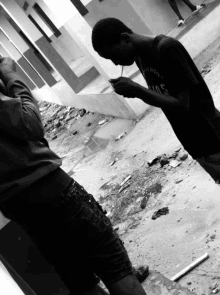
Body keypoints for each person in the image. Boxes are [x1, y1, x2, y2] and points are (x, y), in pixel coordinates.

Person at [0, 57, 148, 295]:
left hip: (19, 208)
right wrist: (10, 76)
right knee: (114, 267)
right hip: (51, 190)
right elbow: (30, 124)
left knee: (79, 279)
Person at [92, 18, 220, 184]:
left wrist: (139, 90)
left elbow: (183, 104)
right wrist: (137, 93)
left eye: (113, 56)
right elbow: (163, 98)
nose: (116, 62)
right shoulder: (140, 57)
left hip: (210, 135)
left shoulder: (166, 49)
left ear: (125, 38)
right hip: (192, 141)